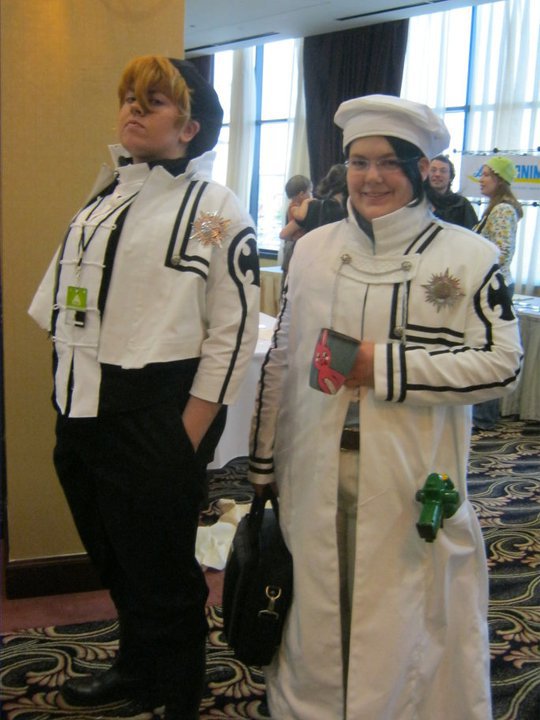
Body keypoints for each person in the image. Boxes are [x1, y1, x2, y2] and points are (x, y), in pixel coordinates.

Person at [248, 94, 522, 719]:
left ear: (421, 168)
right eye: (358, 162)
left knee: (402, 611)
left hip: (410, 471)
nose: (371, 177)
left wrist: (385, 367)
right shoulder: (314, 249)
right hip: (312, 462)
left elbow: (503, 365)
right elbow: (285, 356)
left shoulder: (469, 256)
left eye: (388, 162)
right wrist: (263, 461)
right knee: (317, 599)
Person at [29, 55, 260, 720]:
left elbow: (233, 330)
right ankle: (137, 668)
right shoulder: (107, 193)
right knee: (115, 557)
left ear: (189, 127)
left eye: (152, 101)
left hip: (157, 414)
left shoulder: (213, 208)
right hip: (83, 407)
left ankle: (178, 691)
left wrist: (186, 434)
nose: (132, 108)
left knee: (162, 571)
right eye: (129, 97)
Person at [472, 155, 523, 430]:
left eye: (487, 175)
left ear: (500, 180)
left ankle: (484, 416)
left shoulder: (502, 210)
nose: (481, 180)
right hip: (491, 286)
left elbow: (502, 252)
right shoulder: (494, 208)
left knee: (487, 349)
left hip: (494, 288)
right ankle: (481, 414)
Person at [426, 154, 478, 228]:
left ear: (451, 177)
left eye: (443, 171)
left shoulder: (461, 205)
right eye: (433, 170)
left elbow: (472, 231)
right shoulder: (418, 202)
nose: (437, 174)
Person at [280, 174, 313, 278]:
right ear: (301, 194)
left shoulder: (297, 206)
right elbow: (301, 216)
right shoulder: (293, 206)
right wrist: (306, 202)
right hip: (292, 245)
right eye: (309, 192)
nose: (311, 195)